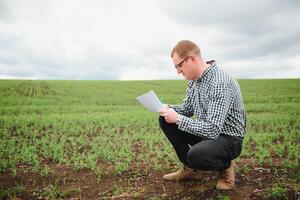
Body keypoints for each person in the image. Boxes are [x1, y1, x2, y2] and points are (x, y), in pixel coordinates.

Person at [159, 40, 246, 190]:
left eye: (178, 66)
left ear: (192, 59)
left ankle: (226, 165)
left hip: (228, 139)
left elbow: (213, 129)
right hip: (209, 135)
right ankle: (191, 169)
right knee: (165, 120)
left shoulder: (219, 82)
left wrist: (178, 118)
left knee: (196, 155)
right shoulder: (194, 80)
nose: (178, 71)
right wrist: (168, 108)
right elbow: (187, 108)